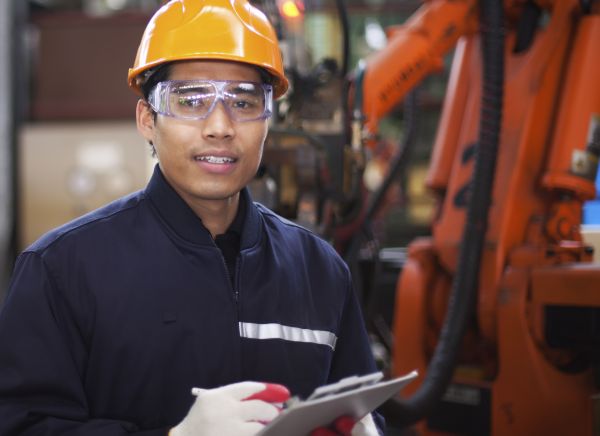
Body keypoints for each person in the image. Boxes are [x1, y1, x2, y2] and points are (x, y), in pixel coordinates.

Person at [0, 0, 384, 434]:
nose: (219, 126)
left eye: (243, 102)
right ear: (147, 118)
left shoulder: (319, 271)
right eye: (192, 100)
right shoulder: (62, 270)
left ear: (268, 118)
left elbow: (360, 405)